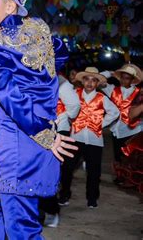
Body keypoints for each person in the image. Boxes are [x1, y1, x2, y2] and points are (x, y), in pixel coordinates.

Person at [0, 0, 77, 239]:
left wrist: (45, 135)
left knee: (23, 230)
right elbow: (61, 54)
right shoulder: (39, 30)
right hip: (34, 146)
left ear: (9, 6)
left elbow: (9, 95)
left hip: (20, 147)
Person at [59, 67, 119, 208]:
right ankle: (64, 195)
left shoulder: (101, 98)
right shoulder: (74, 94)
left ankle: (92, 198)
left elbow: (115, 112)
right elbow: (64, 107)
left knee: (94, 172)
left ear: (97, 83)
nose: (90, 83)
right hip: (75, 137)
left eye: (94, 80)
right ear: (82, 81)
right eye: (87, 79)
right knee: (67, 168)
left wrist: (100, 123)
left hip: (94, 140)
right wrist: (68, 120)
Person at [40, 73, 80, 227]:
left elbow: (74, 106)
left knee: (47, 173)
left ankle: (51, 210)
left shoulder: (60, 81)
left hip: (56, 132)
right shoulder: (29, 74)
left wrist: (62, 119)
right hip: (35, 130)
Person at [101, 64, 142, 184]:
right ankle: (120, 177)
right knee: (118, 156)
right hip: (116, 129)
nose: (124, 80)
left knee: (131, 157)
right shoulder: (112, 89)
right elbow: (98, 80)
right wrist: (109, 72)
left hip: (132, 129)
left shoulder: (139, 92)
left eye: (127, 78)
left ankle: (132, 180)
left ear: (132, 80)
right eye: (122, 77)